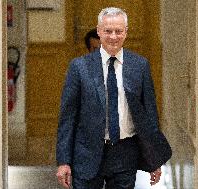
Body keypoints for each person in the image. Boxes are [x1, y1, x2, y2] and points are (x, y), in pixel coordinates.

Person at [56, 7, 172, 189]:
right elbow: (67, 118)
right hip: (86, 153)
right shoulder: (79, 67)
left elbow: (149, 116)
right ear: (99, 31)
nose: (113, 37)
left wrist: (154, 158)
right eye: (108, 31)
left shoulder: (140, 66)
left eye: (118, 31)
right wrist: (63, 161)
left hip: (125, 153)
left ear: (126, 32)